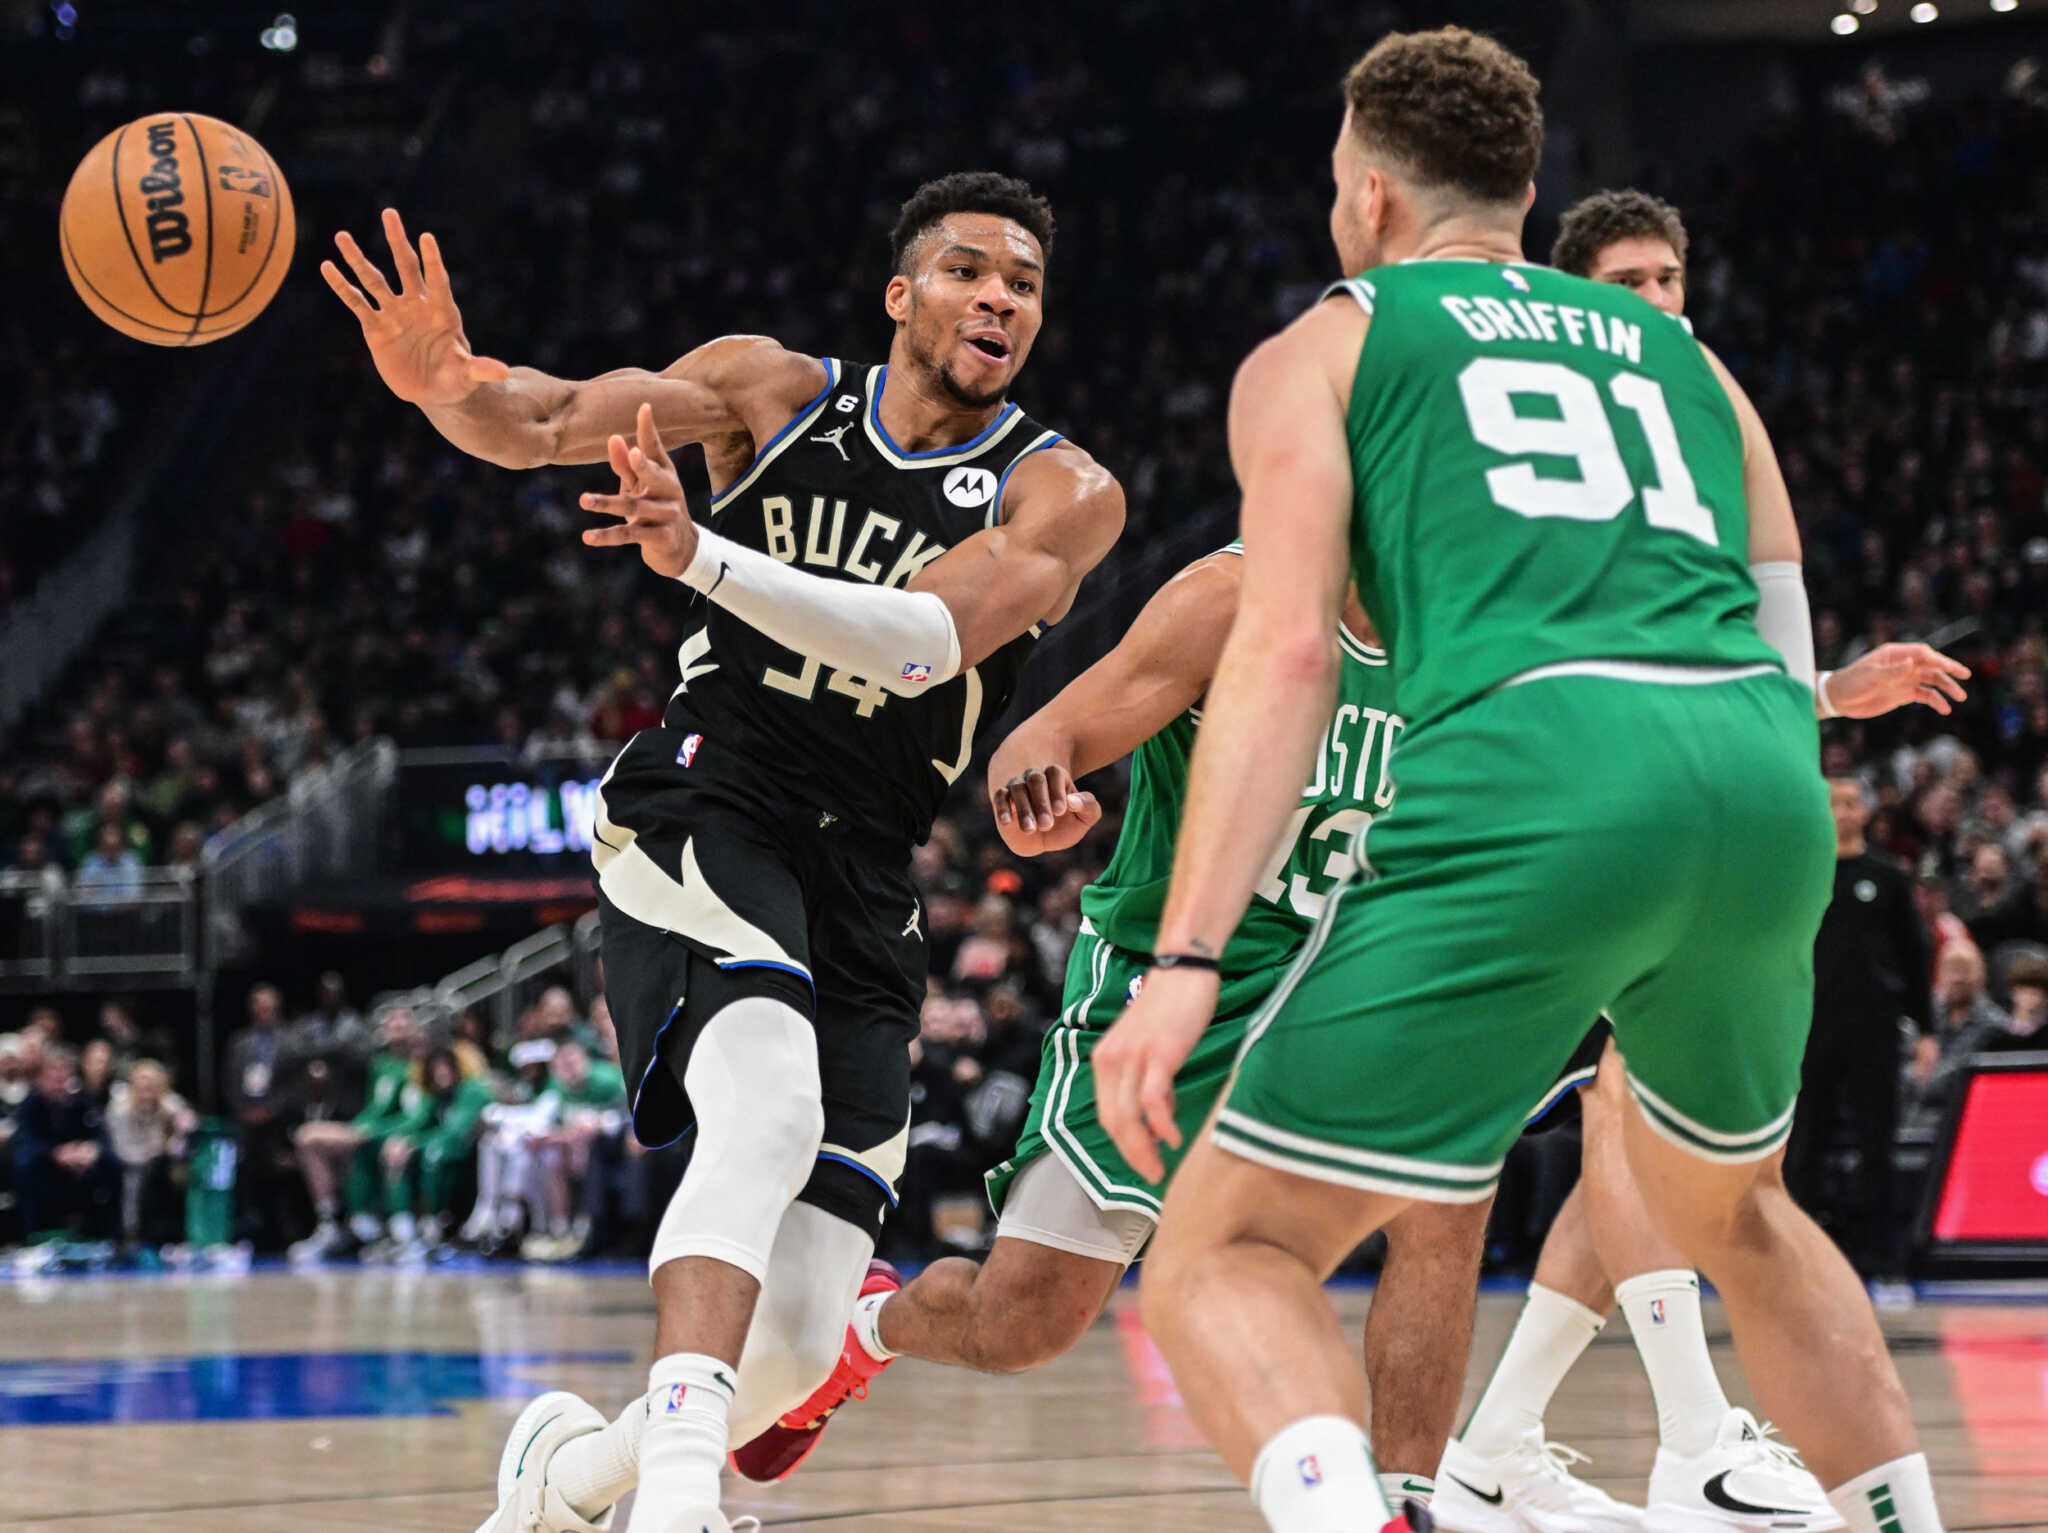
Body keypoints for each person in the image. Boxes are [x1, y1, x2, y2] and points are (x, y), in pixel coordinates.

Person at [1095, 28, 1945, 1533]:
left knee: (1225, 1251)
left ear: (1366, 197)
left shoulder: (1332, 344)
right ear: (1529, 189)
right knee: (1739, 1211)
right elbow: (1772, 624)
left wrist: (1182, 959)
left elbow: (1287, 654)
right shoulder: (1685, 356)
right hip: (1758, 777)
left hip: (1541, 767)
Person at [325, 170, 1123, 1533]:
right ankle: (682, 1502)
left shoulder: (1063, 488)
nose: (1001, 296)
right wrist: (440, 383)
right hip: (713, 793)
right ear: (902, 295)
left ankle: (567, 1482)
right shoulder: (769, 390)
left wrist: (700, 558)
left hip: (869, 870)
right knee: (764, 1106)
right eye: (970, 268)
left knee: (805, 1340)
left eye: (1026, 283)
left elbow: (929, 638)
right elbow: (543, 420)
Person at [743, 540, 1495, 1504]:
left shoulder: (1486, 629)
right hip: (1179, 971)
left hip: (1358, 986)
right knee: (1022, 1322)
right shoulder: (1229, 600)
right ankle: (870, 1328)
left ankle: (1407, 1500)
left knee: (1448, 1206)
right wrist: (1035, 792)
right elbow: (1045, 738)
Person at [1435, 190, 1965, 1531]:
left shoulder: (1706, 432)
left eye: (1672, 276)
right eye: (1626, 279)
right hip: (1569, 792)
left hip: (1695, 797)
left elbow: (1746, 665)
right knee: (1641, 1117)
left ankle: (1498, 1443)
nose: (1659, 301)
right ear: (1567, 305)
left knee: (1654, 1132)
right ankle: (1692, 1442)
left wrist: (1831, 698)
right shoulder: (1543, 434)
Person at [1784, 777, 1934, 1279]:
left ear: (1866, 811)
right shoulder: (1799, 874)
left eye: (1851, 802)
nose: (1842, 811)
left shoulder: (1888, 877)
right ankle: (1801, 1261)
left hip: (1874, 1029)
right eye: (1832, 802)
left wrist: (1927, 1031)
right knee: (1805, 1144)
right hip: (1810, 1027)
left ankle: (1882, 1258)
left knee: (1877, 1143)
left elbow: (1915, 957)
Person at [287, 1006, 423, 1260]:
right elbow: (375, 1108)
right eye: (391, 1024)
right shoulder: (382, 1064)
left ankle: (397, 1232)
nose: (396, 1028)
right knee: (307, 1139)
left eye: (402, 1023)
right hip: (371, 1131)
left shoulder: (419, 1064)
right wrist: (361, 1127)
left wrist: (373, 1131)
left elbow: (418, 1113)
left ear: (413, 1028)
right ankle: (330, 1222)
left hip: (401, 1133)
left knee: (386, 1150)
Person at [11, 1044, 119, 1240]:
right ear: (42, 1078)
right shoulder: (31, 1104)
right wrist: (55, 1153)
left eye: (64, 1077)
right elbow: (25, 1141)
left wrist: (91, 1150)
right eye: (54, 1077)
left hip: (79, 1162)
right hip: (46, 1162)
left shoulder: (82, 1101)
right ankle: (31, 1235)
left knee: (112, 1163)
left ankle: (110, 1237)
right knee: (25, 1165)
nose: (60, 1083)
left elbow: (101, 1136)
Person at [104, 1059, 197, 1248]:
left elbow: (185, 1135)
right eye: (142, 1086)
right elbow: (121, 1149)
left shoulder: (172, 1105)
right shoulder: (119, 1110)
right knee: (137, 1177)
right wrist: (152, 1154)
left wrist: (183, 1128)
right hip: (132, 1164)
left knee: (179, 1172)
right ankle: (133, 1235)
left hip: (163, 1164)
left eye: (152, 1086)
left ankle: (182, 1233)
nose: (147, 1091)